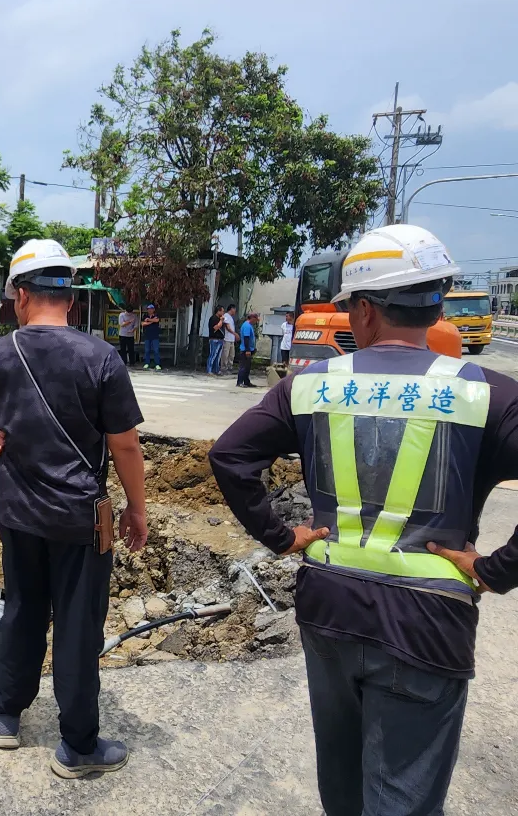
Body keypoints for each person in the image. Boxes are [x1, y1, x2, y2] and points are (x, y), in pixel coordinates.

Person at [208, 225, 518, 816]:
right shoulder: (488, 393)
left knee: (343, 782)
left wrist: (280, 536)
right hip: (428, 620)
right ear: (436, 305)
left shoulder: (308, 385)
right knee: (402, 796)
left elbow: (229, 455)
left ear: (367, 310)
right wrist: (496, 570)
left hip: (329, 605)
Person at [0, 238, 149, 780]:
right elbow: (125, 445)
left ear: (20, 297)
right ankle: (77, 747)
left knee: (23, 608)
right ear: (70, 299)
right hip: (80, 519)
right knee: (77, 625)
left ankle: (8, 714)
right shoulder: (100, 357)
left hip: (18, 511)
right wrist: (136, 509)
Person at [236, 311, 259, 387]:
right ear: (252, 318)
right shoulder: (247, 326)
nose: (256, 321)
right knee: (243, 367)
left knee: (247, 367)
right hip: (245, 350)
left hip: (248, 349)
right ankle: (239, 382)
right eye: (255, 319)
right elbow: (246, 338)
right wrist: (248, 350)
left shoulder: (249, 325)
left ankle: (246, 381)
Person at [141, 304, 161, 371]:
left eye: (151, 309)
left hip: (155, 336)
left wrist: (148, 320)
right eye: (148, 309)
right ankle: (147, 363)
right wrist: (151, 321)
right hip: (147, 336)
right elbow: (143, 324)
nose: (150, 310)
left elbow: (157, 320)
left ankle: (157, 364)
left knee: (156, 350)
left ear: (154, 309)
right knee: (147, 350)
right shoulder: (145, 316)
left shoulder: (156, 315)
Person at [207, 305, 225, 375]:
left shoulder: (219, 319)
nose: (223, 313)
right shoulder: (213, 318)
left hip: (220, 339)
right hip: (214, 339)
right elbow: (216, 327)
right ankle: (209, 370)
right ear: (218, 311)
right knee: (213, 355)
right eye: (222, 311)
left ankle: (216, 370)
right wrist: (221, 320)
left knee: (218, 356)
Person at [221, 304, 238, 373]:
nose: (235, 311)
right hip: (227, 338)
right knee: (225, 354)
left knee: (231, 355)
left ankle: (230, 366)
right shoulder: (226, 316)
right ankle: (224, 367)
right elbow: (227, 327)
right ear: (232, 309)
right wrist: (234, 334)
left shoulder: (231, 317)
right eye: (235, 309)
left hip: (231, 339)